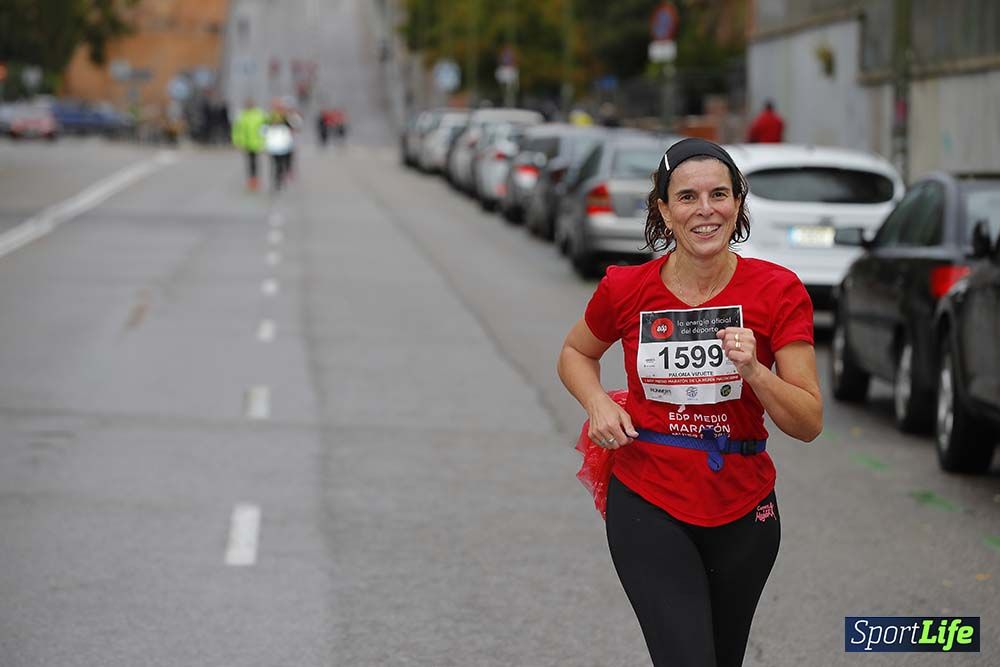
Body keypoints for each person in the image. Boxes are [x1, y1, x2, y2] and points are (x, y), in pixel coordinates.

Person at [557, 137, 822, 667]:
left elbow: (809, 420)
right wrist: (598, 404)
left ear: (739, 203)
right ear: (663, 210)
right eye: (687, 197)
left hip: (744, 508)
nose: (706, 210)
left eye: (719, 194)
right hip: (649, 498)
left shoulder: (778, 291)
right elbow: (574, 353)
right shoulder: (626, 288)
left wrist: (756, 373)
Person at [231, 99, 266, 190]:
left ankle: (255, 179)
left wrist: (264, 140)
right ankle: (251, 178)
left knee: (254, 161)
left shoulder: (259, 114)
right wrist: (236, 141)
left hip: (256, 142)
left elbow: (264, 128)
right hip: (246, 142)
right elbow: (236, 129)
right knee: (250, 161)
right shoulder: (241, 115)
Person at [265, 100, 294, 191]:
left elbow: (292, 127)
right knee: (275, 163)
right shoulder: (270, 117)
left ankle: (280, 176)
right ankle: (277, 179)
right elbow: (264, 129)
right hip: (273, 144)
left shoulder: (286, 116)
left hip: (283, 143)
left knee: (281, 162)